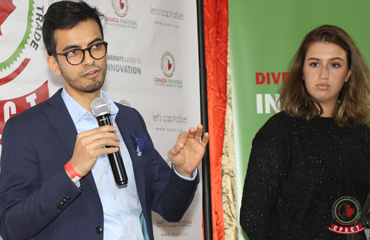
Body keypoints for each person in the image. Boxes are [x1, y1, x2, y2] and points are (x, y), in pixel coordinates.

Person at [0, 1, 209, 240]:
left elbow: (170, 209)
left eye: (95, 46)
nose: (89, 60)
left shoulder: (130, 119)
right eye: (73, 52)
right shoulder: (26, 129)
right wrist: (72, 171)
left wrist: (182, 172)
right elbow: (11, 226)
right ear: (54, 64)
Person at [239, 24, 370, 239]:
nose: (323, 74)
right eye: (314, 64)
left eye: (335, 65)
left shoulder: (363, 135)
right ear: (302, 71)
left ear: (348, 74)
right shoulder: (279, 132)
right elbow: (253, 220)